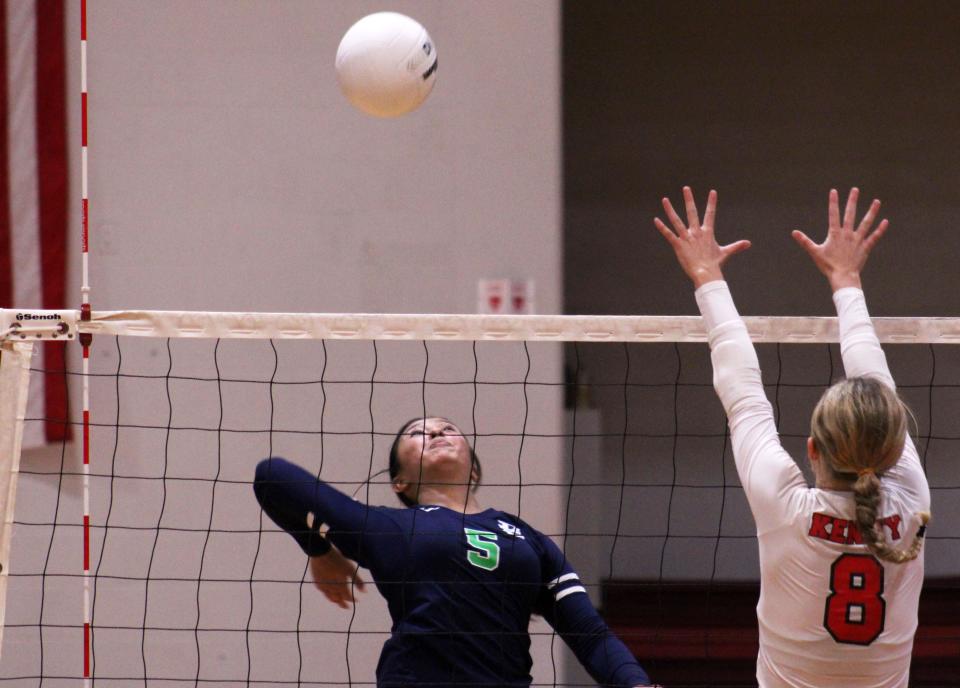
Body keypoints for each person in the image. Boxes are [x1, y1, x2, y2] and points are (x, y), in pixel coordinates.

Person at [654, 186, 931, 687]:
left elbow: (742, 390)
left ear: (811, 450)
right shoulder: (912, 502)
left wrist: (706, 275)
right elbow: (876, 384)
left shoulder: (786, 507)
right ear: (894, 449)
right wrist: (847, 279)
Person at [253, 416, 656, 688]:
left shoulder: (529, 540)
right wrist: (319, 551)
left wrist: (636, 683)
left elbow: (589, 634)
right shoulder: (386, 528)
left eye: (448, 428)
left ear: (474, 470)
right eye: (418, 433)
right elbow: (273, 477)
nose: (437, 433)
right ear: (399, 482)